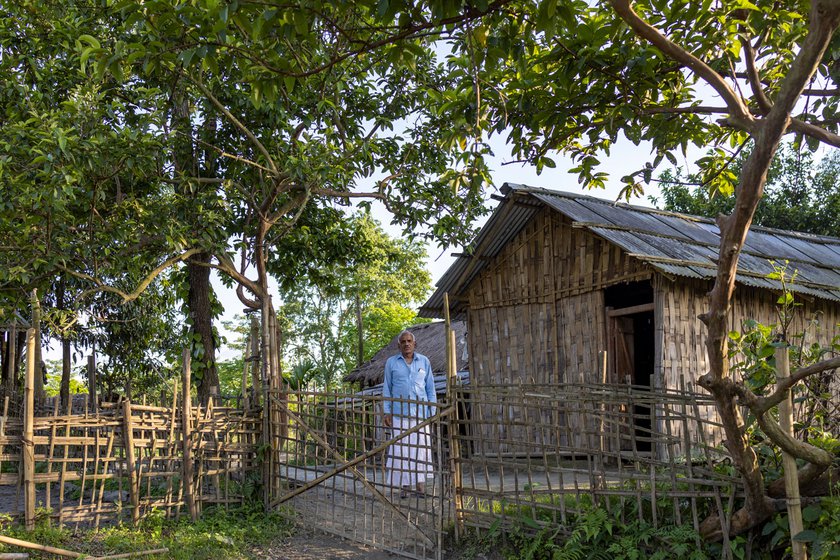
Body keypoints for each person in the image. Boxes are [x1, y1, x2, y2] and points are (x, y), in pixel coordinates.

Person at [382, 330, 437, 498]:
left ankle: (420, 486)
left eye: (409, 341)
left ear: (415, 344)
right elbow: (387, 388)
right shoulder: (391, 363)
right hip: (399, 414)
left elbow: (430, 389)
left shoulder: (424, 362)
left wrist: (432, 412)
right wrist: (387, 411)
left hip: (421, 414)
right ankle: (405, 487)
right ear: (399, 345)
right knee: (401, 452)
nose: (406, 344)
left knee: (420, 451)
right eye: (403, 341)